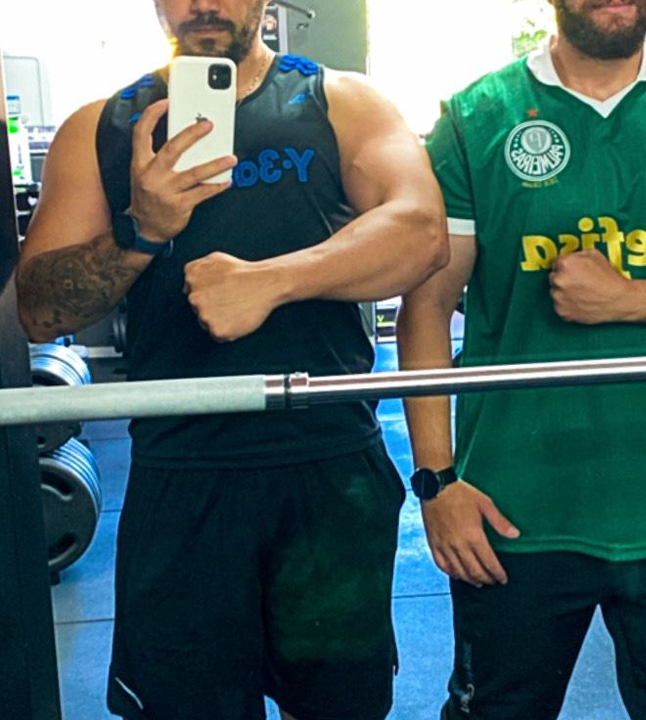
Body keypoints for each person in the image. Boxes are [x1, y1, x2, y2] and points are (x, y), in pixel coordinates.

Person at [15, 1, 448, 719]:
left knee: (339, 708)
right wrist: (141, 230)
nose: (204, 3)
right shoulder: (101, 127)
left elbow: (421, 233)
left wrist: (271, 282)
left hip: (327, 467)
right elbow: (40, 310)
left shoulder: (340, 101)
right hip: (181, 476)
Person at [397, 1, 646, 719]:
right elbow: (426, 306)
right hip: (514, 509)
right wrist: (437, 483)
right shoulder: (476, 117)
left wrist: (626, 299)